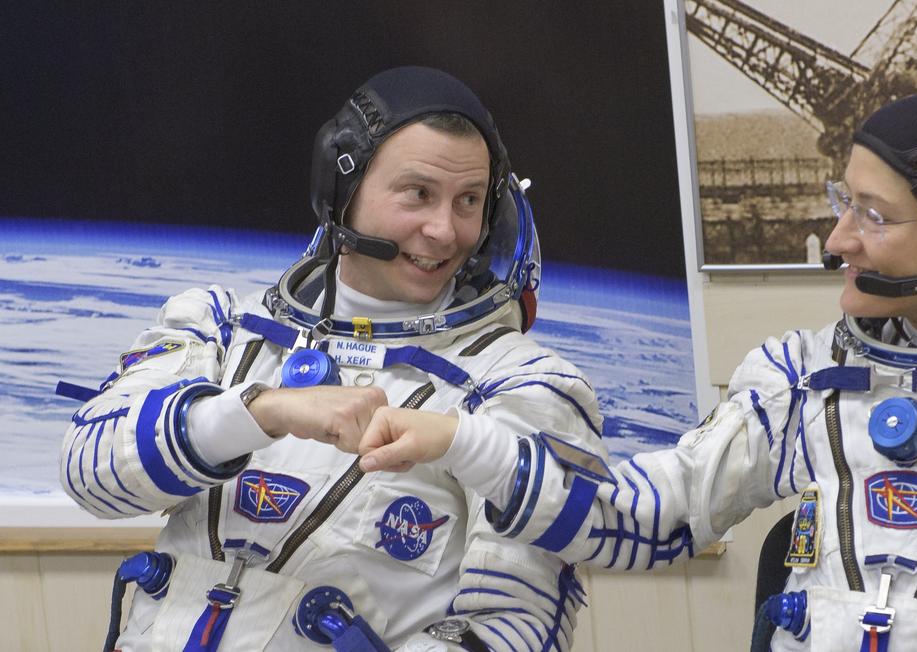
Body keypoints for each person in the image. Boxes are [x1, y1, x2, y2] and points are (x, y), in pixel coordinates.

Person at [358, 90, 917, 651]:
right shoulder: (802, 377)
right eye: (845, 204)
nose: (839, 239)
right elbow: (644, 517)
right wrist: (468, 444)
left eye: (874, 217)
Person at [59, 66, 605, 652]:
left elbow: (516, 629)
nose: (445, 231)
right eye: (418, 194)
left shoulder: (519, 386)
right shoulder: (219, 329)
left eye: (469, 201)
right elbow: (90, 474)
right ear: (341, 192)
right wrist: (256, 413)